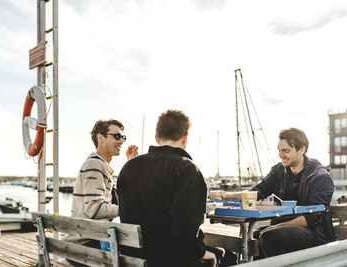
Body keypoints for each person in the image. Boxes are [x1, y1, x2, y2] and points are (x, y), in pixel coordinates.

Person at [117, 110, 217, 267]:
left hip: (133, 259)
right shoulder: (187, 169)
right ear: (185, 138)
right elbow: (184, 231)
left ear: (157, 138)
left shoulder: (128, 167)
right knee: (223, 256)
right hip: (171, 260)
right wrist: (201, 252)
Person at [223, 127, 335, 257]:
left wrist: (279, 226)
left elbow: (312, 217)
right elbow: (259, 191)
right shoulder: (278, 171)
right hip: (284, 228)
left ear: (302, 150)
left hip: (314, 233)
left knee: (270, 237)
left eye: (286, 151)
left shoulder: (319, 177)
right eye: (280, 150)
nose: (281, 155)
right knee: (249, 236)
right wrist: (229, 196)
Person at [70, 119, 138, 247]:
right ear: (100, 137)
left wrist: (129, 164)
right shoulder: (94, 164)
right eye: (117, 136)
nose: (121, 141)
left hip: (90, 240)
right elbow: (94, 210)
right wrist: (129, 209)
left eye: (123, 137)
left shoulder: (99, 165)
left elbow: (115, 198)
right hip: (88, 243)